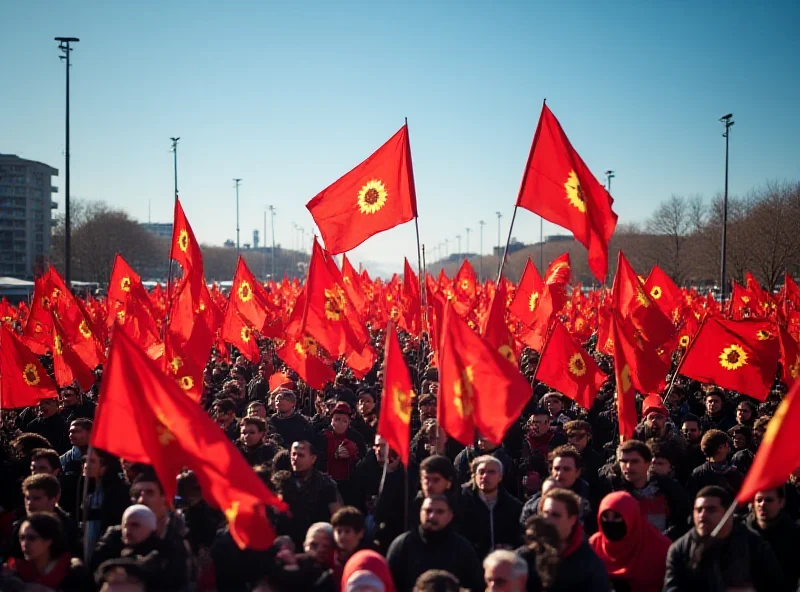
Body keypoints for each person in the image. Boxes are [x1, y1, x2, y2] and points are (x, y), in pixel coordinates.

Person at [664, 485, 787, 591]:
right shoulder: (680, 550)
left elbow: (776, 586)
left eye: (711, 510)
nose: (703, 515)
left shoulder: (753, 544)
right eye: (699, 510)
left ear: (727, 514)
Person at [387, 495, 484, 592]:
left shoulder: (462, 548)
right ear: (420, 513)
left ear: (450, 516)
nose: (432, 516)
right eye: (428, 511)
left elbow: (476, 585)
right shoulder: (402, 545)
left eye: (440, 512)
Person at [597, 440, 690, 540]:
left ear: (648, 463)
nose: (628, 466)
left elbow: (682, 523)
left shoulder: (670, 490)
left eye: (635, 461)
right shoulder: (610, 491)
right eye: (623, 461)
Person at [91, 504, 190, 591]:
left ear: (150, 527)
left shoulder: (164, 551)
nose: (127, 530)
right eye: (125, 525)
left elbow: (149, 568)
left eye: (135, 525)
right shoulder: (112, 544)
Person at [588, 491, 671, 592]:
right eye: (605, 517)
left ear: (632, 517)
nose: (610, 523)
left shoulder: (660, 547)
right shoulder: (594, 545)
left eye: (617, 517)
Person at [538, 488, 610, 592]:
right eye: (545, 513)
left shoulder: (589, 565)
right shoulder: (527, 557)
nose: (548, 521)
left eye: (555, 515)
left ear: (572, 519)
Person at [4, 511, 92, 591]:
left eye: (32, 538)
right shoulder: (14, 571)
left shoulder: (72, 572)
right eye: (22, 538)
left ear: (49, 541)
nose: (25, 543)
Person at [457, 455, 522, 560]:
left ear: (500, 477)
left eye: (491, 472)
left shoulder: (513, 506)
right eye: (481, 472)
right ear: (474, 475)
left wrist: (510, 548)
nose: (485, 476)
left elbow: (518, 537)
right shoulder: (460, 501)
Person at [520, 446, 592, 532]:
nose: (560, 473)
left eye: (566, 469)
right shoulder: (532, 507)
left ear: (577, 472)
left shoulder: (589, 504)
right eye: (556, 468)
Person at [745, 486, 800, 589]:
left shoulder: (795, 535)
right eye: (759, 500)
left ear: (781, 502)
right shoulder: (741, 533)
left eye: (769, 500)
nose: (762, 504)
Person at [291, 440, 342, 528]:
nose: (295, 458)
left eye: (301, 455)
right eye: (293, 454)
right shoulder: (283, 480)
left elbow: (338, 518)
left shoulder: (325, 484)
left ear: (313, 459)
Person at [687, 429, 744, 497]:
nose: (728, 446)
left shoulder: (697, 473)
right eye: (725, 444)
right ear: (720, 447)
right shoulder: (699, 474)